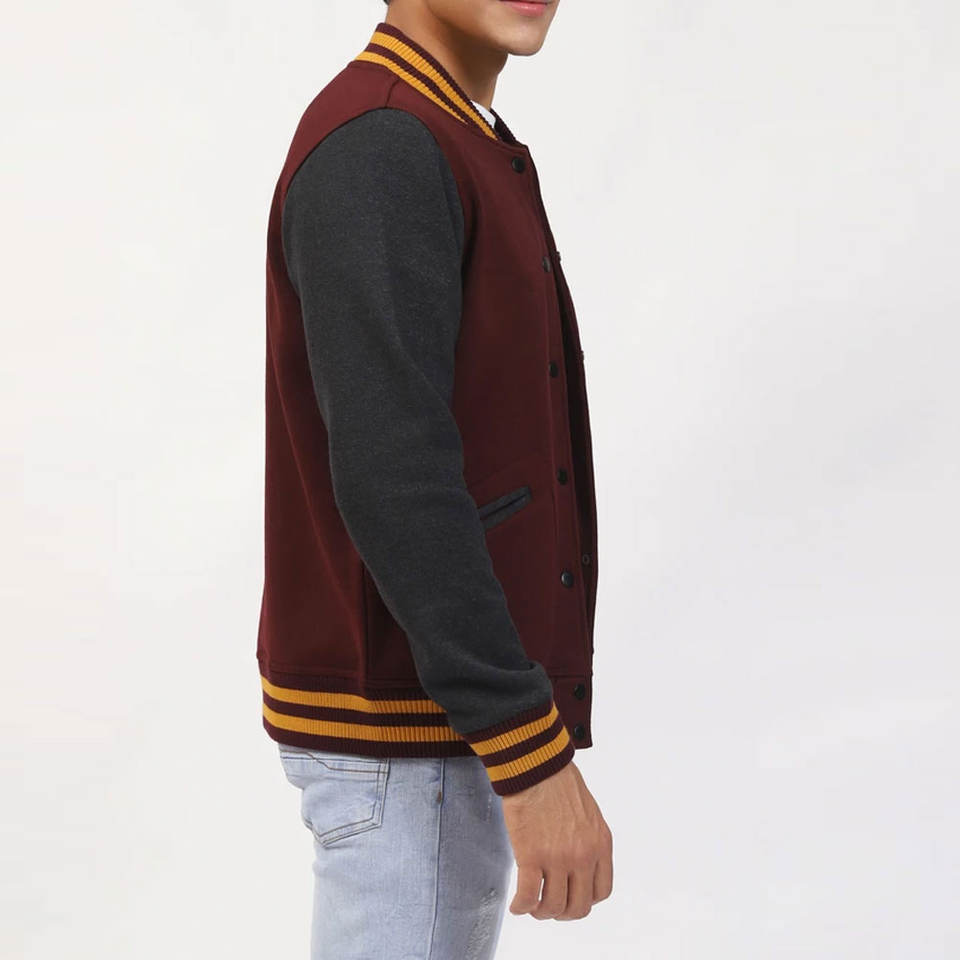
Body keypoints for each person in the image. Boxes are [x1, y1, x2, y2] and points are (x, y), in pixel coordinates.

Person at [257, 1, 612, 956]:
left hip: (436, 730)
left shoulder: (446, 131)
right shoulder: (384, 142)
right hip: (407, 738)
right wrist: (528, 750)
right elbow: (395, 474)